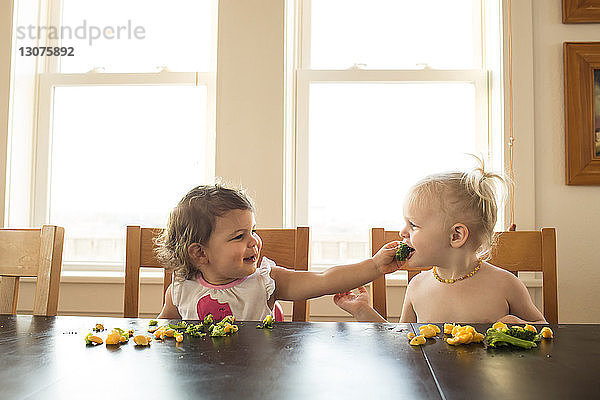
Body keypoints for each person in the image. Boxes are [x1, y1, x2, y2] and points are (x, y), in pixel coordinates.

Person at [334, 162, 547, 324]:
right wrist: (363, 311)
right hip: (429, 383)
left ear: (456, 236)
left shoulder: (506, 285)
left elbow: (545, 330)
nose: (402, 232)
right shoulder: (417, 286)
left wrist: (521, 326)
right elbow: (399, 343)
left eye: (414, 225)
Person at [156, 184, 401, 321]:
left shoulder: (265, 281)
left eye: (252, 230)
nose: (254, 242)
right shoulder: (181, 289)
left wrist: (375, 266)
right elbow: (163, 331)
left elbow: (324, 280)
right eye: (239, 236)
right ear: (200, 254)